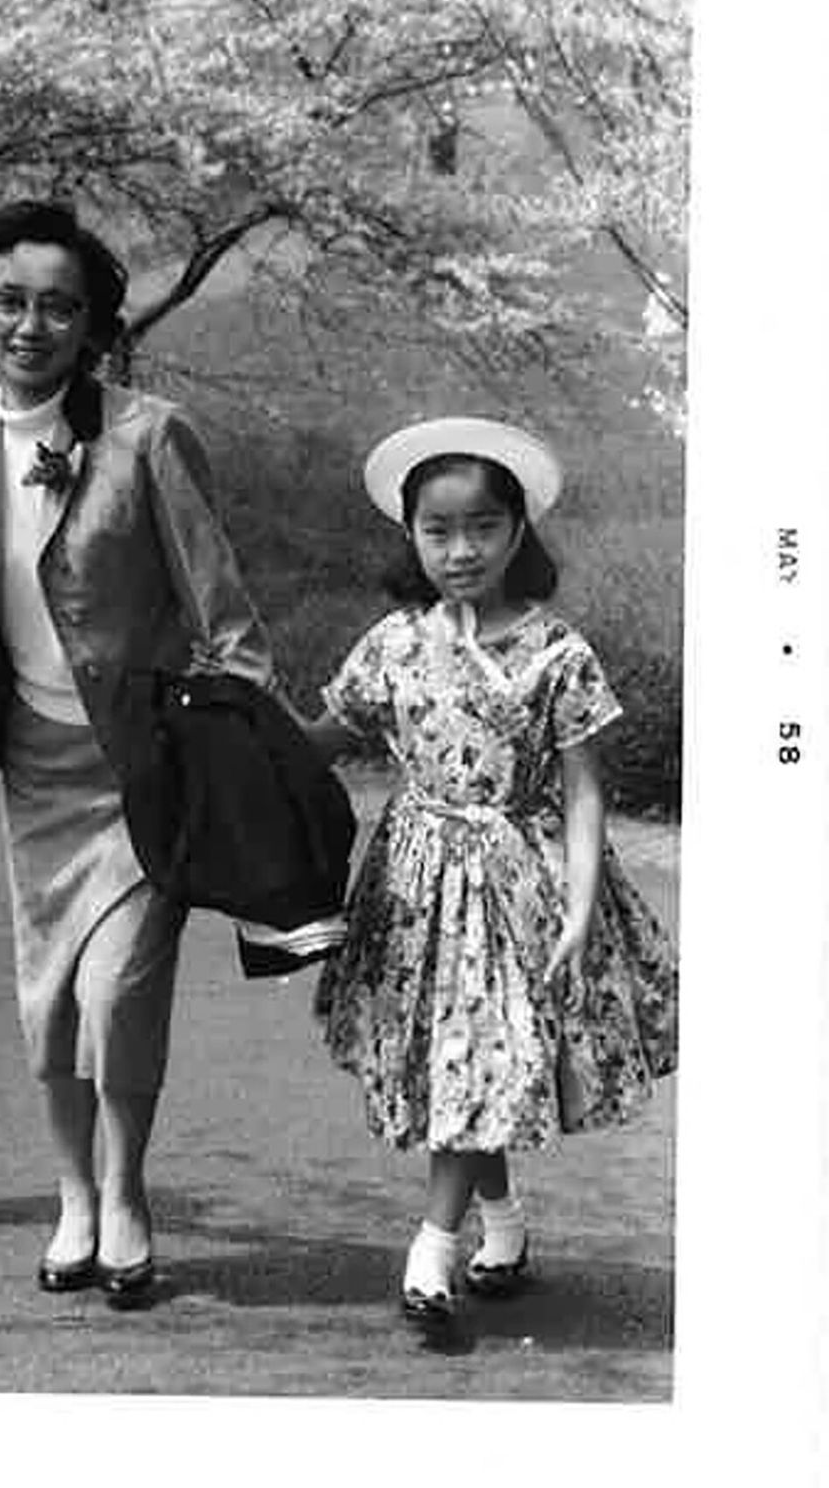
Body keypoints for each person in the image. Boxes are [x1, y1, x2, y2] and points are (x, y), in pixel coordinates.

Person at [0, 201, 275, 1306]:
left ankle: (125, 1190)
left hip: (143, 768)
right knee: (49, 997)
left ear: (89, 322)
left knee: (118, 993)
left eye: (57, 306)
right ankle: (73, 1198)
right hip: (36, 772)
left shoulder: (148, 434)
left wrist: (239, 737)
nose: (29, 325)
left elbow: (218, 602)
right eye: (7, 302)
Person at [305, 417, 677, 1336]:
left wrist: (582, 908)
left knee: (483, 1051)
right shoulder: (392, 643)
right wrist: (230, 707)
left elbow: (588, 791)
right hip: (413, 881)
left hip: (517, 883)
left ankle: (433, 1249)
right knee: (459, 1061)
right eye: (438, 530)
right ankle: (502, 1226)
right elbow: (324, 735)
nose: (460, 550)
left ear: (519, 531)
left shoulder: (560, 653)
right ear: (410, 534)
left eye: (482, 528)